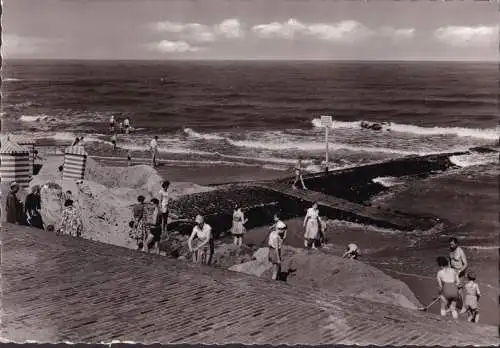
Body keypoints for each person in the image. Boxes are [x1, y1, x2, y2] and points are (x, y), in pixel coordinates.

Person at [449, 237, 468, 313]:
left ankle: (464, 307)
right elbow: (450, 261)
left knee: (459, 290)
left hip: (460, 273)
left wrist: (459, 271)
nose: (451, 246)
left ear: (456, 244)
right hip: (453, 272)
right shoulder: (450, 250)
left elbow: (466, 264)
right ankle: (452, 306)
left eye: (453, 244)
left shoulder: (460, 251)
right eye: (450, 244)